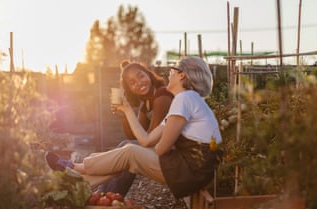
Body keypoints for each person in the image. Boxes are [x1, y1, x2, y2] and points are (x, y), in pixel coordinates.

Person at [46, 56, 222, 199]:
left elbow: (157, 147)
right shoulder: (183, 101)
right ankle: (81, 185)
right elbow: (144, 139)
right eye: (132, 82)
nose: (169, 73)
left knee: (129, 152)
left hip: (190, 173)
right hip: (186, 169)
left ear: (182, 76)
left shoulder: (181, 100)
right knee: (128, 151)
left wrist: (132, 116)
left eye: (173, 70)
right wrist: (126, 113)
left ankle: (77, 168)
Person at [96, 60, 173, 196]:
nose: (139, 83)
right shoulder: (146, 103)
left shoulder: (162, 95)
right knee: (125, 145)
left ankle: (108, 195)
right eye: (132, 83)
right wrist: (123, 117)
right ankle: (104, 194)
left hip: (171, 154)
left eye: (141, 76)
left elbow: (149, 139)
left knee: (128, 149)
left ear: (148, 74)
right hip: (160, 150)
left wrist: (128, 112)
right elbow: (132, 136)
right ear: (129, 89)